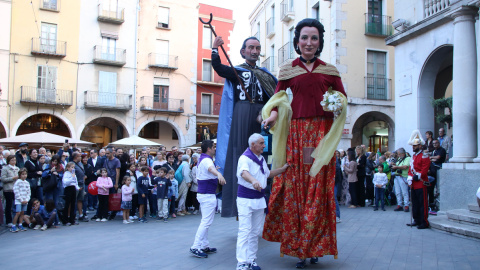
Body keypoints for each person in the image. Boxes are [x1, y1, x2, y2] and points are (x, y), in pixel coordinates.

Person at [261, 18, 346, 266]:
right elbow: (278, 99)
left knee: (317, 188)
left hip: (321, 133)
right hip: (296, 136)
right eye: (304, 38)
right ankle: (300, 247)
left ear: (319, 42)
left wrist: (337, 104)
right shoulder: (287, 70)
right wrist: (272, 117)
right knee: (296, 189)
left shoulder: (330, 70)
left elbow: (342, 99)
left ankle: (313, 245)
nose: (309, 42)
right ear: (297, 41)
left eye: (314, 38)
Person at [212, 35, 277, 218]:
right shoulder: (237, 70)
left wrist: (268, 114)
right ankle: (239, 207)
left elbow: (274, 99)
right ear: (243, 51)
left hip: (261, 117)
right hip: (241, 114)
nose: (254, 51)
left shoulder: (267, 75)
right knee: (241, 154)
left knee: (264, 156)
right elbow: (219, 68)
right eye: (251, 48)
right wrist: (215, 49)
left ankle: (262, 204)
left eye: (257, 48)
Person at [235, 134, 288, 270]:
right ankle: (241, 262)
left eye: (263, 143)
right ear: (253, 145)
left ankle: (251, 260)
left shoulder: (261, 159)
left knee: (254, 232)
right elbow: (244, 173)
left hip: (259, 200)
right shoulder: (244, 158)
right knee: (244, 231)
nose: (264, 145)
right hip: (246, 199)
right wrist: (253, 181)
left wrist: (282, 170)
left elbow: (267, 174)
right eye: (261, 143)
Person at [190, 140, 226, 258]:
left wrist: (215, 171)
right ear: (209, 149)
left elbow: (210, 169)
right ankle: (196, 246)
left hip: (204, 194)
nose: (215, 149)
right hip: (207, 195)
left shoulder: (203, 159)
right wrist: (218, 174)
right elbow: (210, 169)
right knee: (206, 222)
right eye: (214, 147)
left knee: (205, 221)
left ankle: (204, 245)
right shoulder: (206, 160)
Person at [406, 130, 431, 229]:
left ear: (420, 146)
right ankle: (416, 219)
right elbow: (410, 168)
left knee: (422, 204)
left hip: (421, 183)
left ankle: (424, 222)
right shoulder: (414, 156)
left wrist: (419, 176)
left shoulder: (424, 155)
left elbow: (425, 168)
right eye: (413, 146)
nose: (413, 147)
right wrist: (409, 177)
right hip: (413, 183)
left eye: (415, 146)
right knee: (415, 203)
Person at [2, 155, 19, 227]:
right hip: (8, 189)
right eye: (12, 160)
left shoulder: (17, 168)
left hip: (16, 189)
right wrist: (12, 178)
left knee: (16, 205)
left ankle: (17, 220)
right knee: (8, 205)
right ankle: (8, 221)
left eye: (14, 160)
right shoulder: (5, 168)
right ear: (8, 161)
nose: (13, 161)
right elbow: (3, 179)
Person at [103, 148, 121, 220]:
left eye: (108, 153)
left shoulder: (116, 161)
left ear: (112, 153)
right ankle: (107, 211)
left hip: (113, 180)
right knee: (107, 196)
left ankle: (113, 212)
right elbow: (104, 170)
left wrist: (116, 183)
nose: (107, 155)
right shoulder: (106, 160)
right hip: (106, 180)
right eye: (106, 153)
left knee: (113, 196)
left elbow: (117, 173)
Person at [11, 168, 30, 232]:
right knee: (18, 213)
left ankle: (20, 224)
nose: (24, 176)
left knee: (22, 213)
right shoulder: (17, 182)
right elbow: (16, 192)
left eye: (25, 174)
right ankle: (13, 225)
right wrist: (21, 200)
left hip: (25, 200)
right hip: (19, 201)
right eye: (23, 174)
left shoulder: (27, 183)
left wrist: (27, 199)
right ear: (20, 175)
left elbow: (28, 192)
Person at [72, 152, 87, 221]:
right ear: (76, 157)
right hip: (75, 184)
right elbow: (72, 175)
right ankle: (73, 215)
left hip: (81, 183)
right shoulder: (72, 165)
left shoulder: (80, 163)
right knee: (74, 200)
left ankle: (81, 215)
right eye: (79, 156)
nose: (81, 158)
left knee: (80, 199)